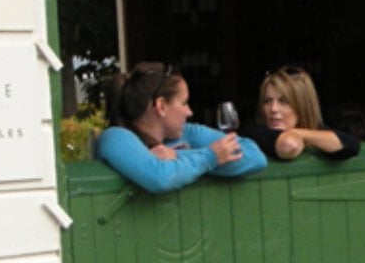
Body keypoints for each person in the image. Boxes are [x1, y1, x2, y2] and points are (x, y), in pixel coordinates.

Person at [94, 62, 265, 193]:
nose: (189, 112)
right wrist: (210, 157)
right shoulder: (115, 137)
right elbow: (159, 177)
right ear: (161, 106)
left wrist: (177, 155)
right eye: (184, 103)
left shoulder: (187, 133)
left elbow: (254, 157)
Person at [243, 66, 361, 162]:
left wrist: (297, 132)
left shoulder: (313, 130)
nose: (273, 109)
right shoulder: (253, 132)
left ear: (302, 105)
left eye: (284, 101)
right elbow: (289, 145)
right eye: (267, 101)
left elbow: (351, 145)